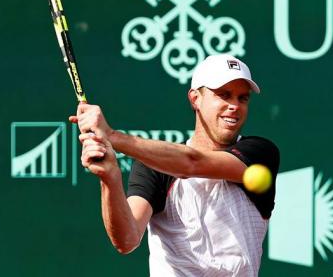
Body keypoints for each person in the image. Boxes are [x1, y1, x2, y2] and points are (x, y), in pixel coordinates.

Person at [72, 54, 280, 276]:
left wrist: (111, 137)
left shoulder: (261, 154)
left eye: (243, 98)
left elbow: (191, 163)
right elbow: (127, 240)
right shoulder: (153, 167)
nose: (234, 106)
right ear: (195, 99)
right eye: (223, 95)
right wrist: (110, 178)